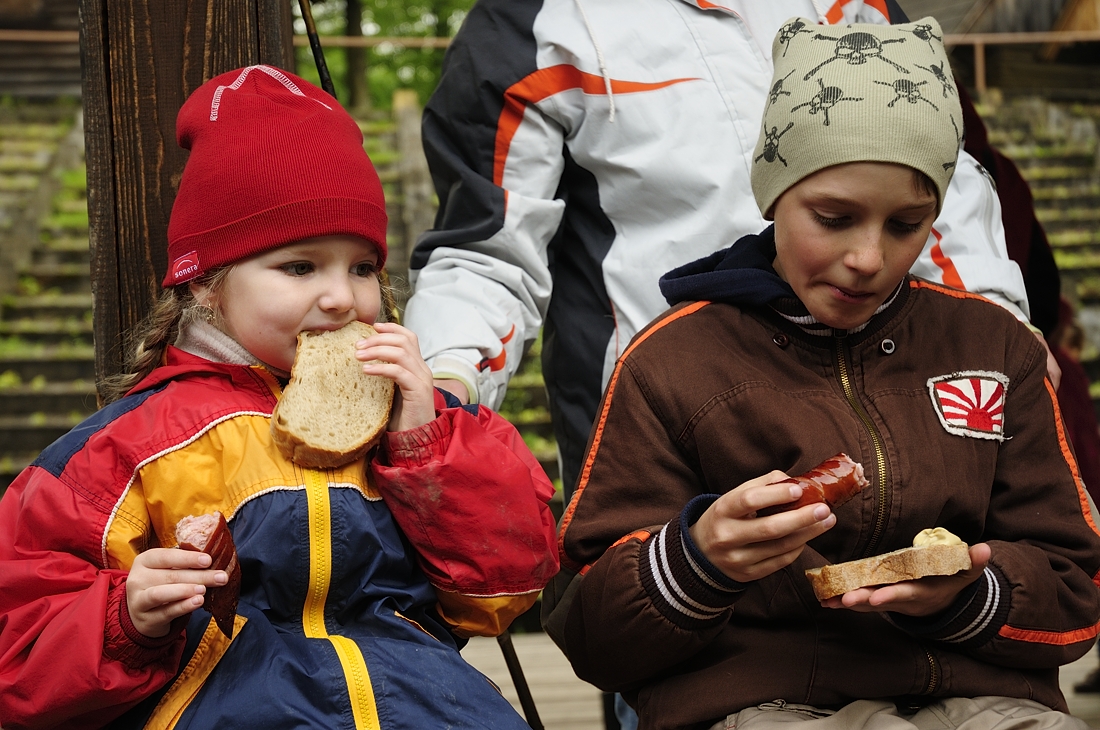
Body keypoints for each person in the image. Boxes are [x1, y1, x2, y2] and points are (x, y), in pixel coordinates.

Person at [542, 19, 1100, 730]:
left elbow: (1075, 586)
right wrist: (696, 559)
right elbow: (592, 634)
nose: (868, 257)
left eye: (906, 225)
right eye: (834, 218)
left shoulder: (995, 349)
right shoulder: (669, 365)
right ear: (774, 195)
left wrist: (969, 594)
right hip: (759, 703)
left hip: (984, 695)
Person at [0, 66, 558, 729]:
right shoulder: (127, 448)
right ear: (205, 284)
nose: (340, 297)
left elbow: (502, 592)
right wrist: (127, 620)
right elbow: (20, 654)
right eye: (299, 266)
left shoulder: (417, 421)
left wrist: (428, 437)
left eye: (361, 268)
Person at [405, 0, 1042, 511]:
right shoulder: (537, 21)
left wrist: (998, 328)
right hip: (665, 435)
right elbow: (488, 249)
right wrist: (448, 380)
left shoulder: (862, 5)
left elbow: (939, 188)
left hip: (887, 412)